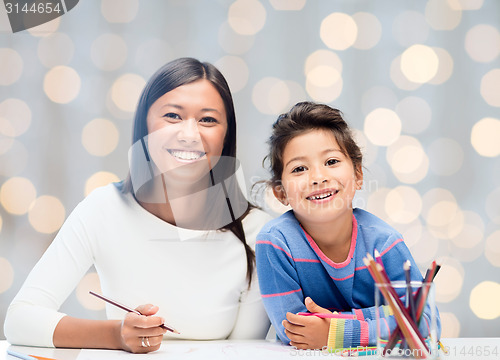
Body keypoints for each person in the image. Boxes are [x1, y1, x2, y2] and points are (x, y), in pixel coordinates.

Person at [4, 57, 271, 353]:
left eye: (208, 120)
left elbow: (247, 352)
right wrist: (116, 335)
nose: (189, 134)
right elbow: (20, 320)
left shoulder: (258, 232)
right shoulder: (103, 209)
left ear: (225, 136)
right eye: (172, 116)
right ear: (144, 125)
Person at [255, 102, 441, 350]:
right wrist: (384, 315)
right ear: (280, 193)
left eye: (331, 161)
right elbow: (295, 330)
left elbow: (424, 322)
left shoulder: (384, 243)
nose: (318, 177)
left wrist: (336, 331)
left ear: (358, 175)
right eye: (299, 168)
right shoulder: (276, 242)